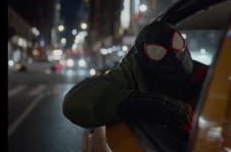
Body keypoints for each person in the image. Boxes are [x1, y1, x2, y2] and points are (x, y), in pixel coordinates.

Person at [62, 21, 208, 140]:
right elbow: (74, 101)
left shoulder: (207, 75)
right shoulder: (135, 72)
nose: (174, 56)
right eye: (157, 51)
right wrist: (152, 102)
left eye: (177, 43)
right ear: (143, 58)